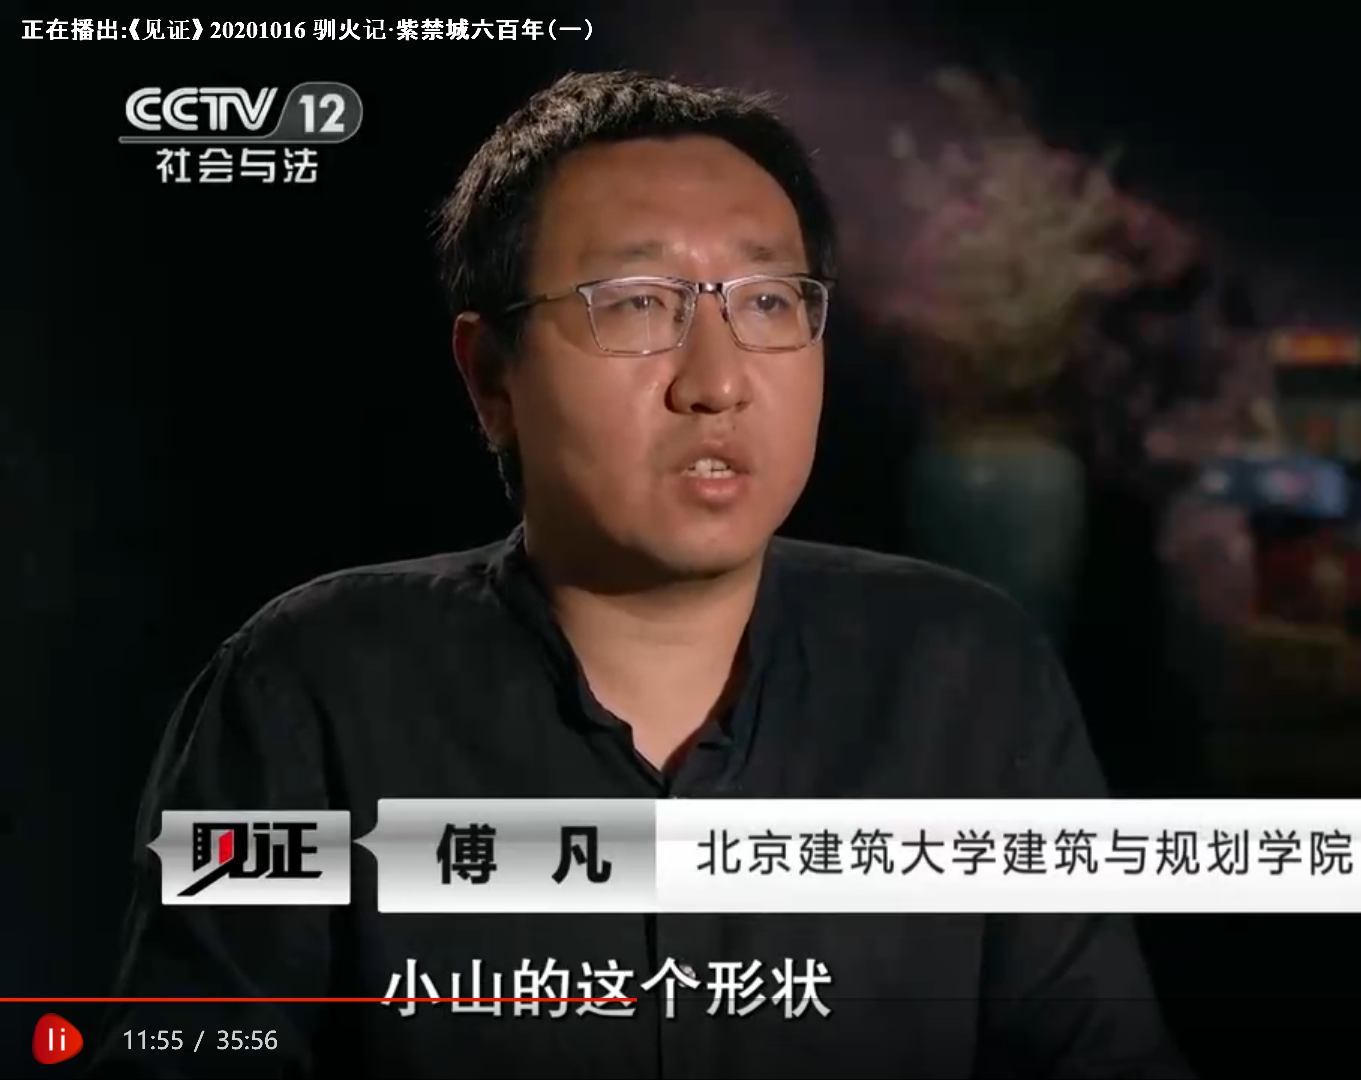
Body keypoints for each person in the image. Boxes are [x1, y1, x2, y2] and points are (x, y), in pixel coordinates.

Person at [90, 71, 1191, 1079]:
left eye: (769, 301)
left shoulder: (964, 672)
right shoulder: (310, 690)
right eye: (636, 303)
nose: (717, 382)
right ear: (491, 379)